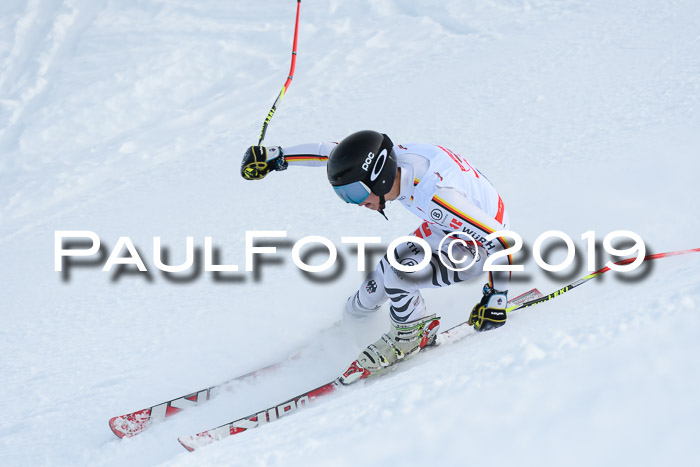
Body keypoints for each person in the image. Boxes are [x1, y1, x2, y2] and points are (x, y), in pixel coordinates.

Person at [241, 130, 512, 384]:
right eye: (344, 195)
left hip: (479, 245)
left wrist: (496, 298)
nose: (358, 203)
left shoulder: (435, 194)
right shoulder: (392, 161)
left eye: (355, 192)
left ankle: (410, 335)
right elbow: (330, 153)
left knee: (400, 269)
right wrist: (276, 156)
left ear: (380, 178)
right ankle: (350, 327)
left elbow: (502, 240)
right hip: (447, 228)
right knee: (378, 281)